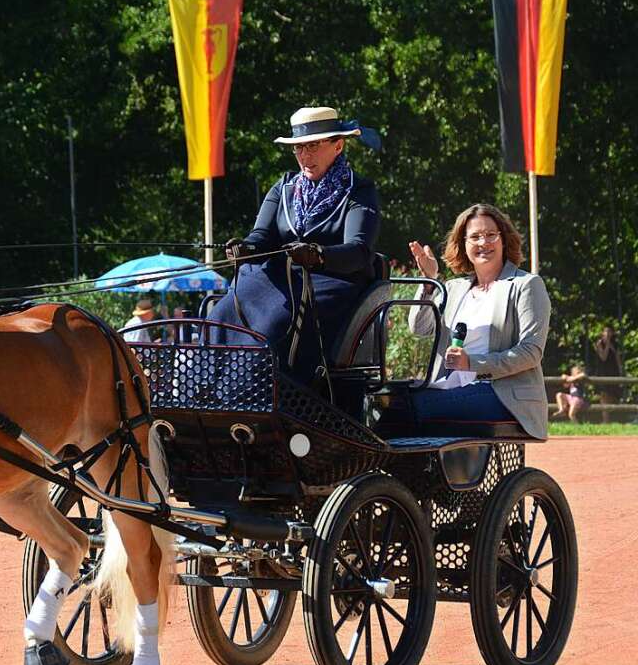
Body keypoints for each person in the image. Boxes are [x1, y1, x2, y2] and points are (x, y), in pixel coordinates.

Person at [208, 106, 382, 385]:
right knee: (221, 312)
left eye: (312, 146)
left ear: (338, 146)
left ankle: (261, 395)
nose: (304, 156)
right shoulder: (283, 188)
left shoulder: (359, 191)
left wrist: (318, 255)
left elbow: (359, 251)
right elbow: (260, 237)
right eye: (298, 148)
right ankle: (211, 392)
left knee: (276, 321)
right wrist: (244, 249)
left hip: (333, 279)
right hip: (280, 277)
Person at [407, 203, 551, 439]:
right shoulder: (453, 288)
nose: (483, 243)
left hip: (503, 394)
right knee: (392, 402)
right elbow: (419, 328)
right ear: (463, 244)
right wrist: (428, 281)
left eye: (491, 235)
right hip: (452, 387)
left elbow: (531, 352)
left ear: (503, 240)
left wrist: (472, 363)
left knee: (418, 406)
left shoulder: (526, 285)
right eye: (475, 237)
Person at [592, 325, 624, 423]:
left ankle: (615, 418)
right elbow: (603, 357)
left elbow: (617, 358)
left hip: (613, 372)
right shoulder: (599, 343)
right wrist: (607, 345)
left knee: (613, 396)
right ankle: (605, 420)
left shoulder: (615, 344)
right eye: (606, 332)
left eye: (609, 332)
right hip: (603, 372)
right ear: (602, 333)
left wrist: (621, 371)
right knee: (604, 396)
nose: (608, 334)